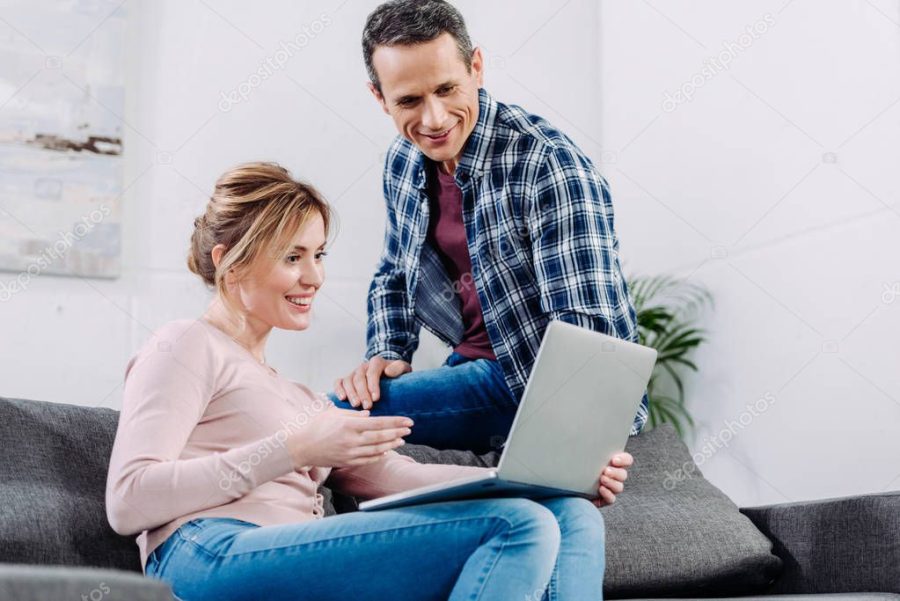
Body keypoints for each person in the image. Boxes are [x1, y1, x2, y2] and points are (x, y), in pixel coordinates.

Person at [106, 162, 632, 601]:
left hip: (292, 546)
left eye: (318, 255)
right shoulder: (185, 344)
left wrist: (547, 478)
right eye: (293, 257)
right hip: (206, 551)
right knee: (516, 527)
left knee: (566, 514)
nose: (314, 277)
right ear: (230, 265)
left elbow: (402, 480)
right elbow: (129, 501)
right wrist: (291, 448)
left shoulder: (303, 400)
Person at [332, 0, 647, 453]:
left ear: (476, 67)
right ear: (379, 98)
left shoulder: (547, 165)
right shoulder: (402, 162)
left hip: (533, 381)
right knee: (335, 419)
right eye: (409, 100)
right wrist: (387, 352)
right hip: (471, 365)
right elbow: (395, 274)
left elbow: (587, 332)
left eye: (446, 89)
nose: (434, 119)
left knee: (336, 420)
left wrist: (575, 451)